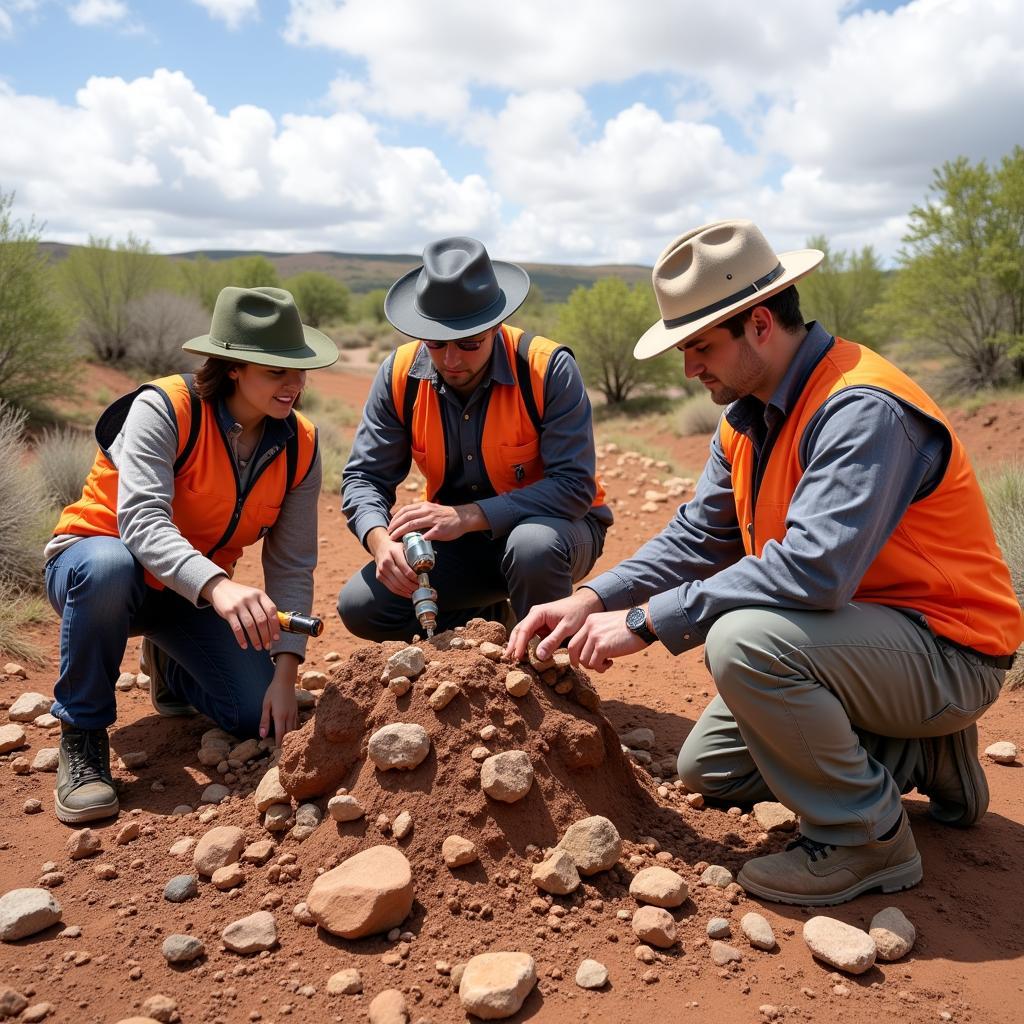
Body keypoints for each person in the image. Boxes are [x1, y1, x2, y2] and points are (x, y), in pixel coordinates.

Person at [509, 220, 1023, 906]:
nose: (690, 368)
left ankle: (866, 841)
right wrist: (593, 598)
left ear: (758, 324)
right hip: (863, 638)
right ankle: (926, 753)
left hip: (950, 649)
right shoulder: (746, 413)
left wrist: (649, 621)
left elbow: (813, 570)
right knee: (710, 768)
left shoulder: (858, 407)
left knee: (743, 642)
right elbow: (697, 538)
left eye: (699, 346)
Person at [45, 286, 338, 824]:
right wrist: (219, 587)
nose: (293, 384)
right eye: (276, 371)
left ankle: (169, 665)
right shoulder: (165, 407)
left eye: (299, 369)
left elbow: (292, 563)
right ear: (232, 367)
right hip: (96, 569)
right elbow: (141, 522)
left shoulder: (301, 443)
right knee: (109, 567)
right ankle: (82, 735)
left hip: (184, 592)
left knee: (259, 715)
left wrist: (285, 672)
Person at [338, 236, 612, 641]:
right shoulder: (399, 374)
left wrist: (466, 515)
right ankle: (483, 633)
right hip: (460, 543)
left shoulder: (546, 368)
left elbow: (573, 489)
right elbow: (364, 479)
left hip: (557, 535)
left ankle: (545, 672)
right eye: (436, 344)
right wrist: (380, 542)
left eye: (469, 344)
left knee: (532, 546)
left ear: (495, 324)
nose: (451, 360)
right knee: (362, 606)